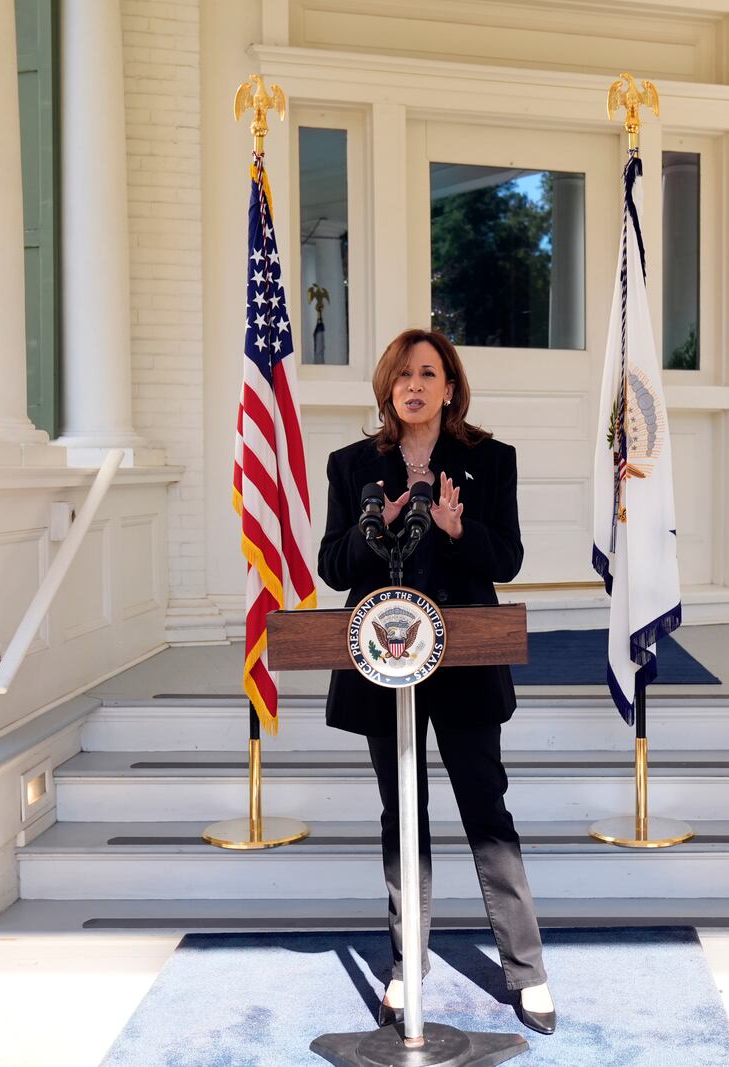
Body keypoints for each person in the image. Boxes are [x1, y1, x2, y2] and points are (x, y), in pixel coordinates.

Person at [317, 328, 556, 1036]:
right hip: (383, 664)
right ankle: (405, 965)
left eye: (429, 372)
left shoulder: (491, 460)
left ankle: (527, 969)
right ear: (388, 389)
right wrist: (374, 528)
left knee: (487, 811)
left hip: (466, 662)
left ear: (450, 386)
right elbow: (333, 565)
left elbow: (507, 557)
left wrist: (458, 529)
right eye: (402, 375)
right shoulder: (351, 465)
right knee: (403, 814)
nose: (414, 384)